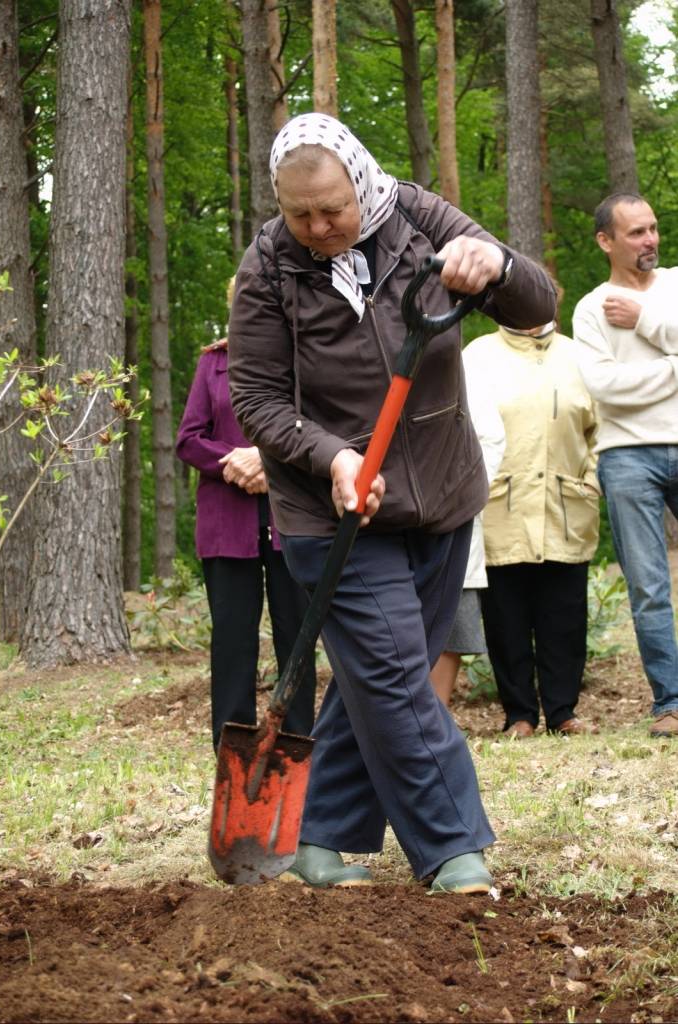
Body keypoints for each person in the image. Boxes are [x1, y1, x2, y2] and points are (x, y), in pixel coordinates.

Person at [228, 112, 556, 893]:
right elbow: (256, 395)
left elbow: (538, 301)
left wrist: (496, 265)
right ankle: (452, 849)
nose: (319, 227)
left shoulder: (418, 218)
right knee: (400, 680)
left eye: (332, 209)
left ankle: (317, 837)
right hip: (332, 512)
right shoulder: (271, 267)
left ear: (361, 181)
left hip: (441, 496)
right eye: (299, 213)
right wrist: (333, 456)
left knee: (379, 679)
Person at [176, 287, 317, 753]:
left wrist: (267, 461)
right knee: (233, 640)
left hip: (291, 518)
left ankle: (295, 738)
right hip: (226, 524)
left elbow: (317, 429)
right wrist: (234, 462)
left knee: (295, 636)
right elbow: (189, 439)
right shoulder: (212, 364)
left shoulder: (304, 362)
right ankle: (231, 746)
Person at [463, 316, 600, 738]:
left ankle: (563, 713)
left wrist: (591, 481)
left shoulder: (581, 356)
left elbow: (600, 432)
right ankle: (518, 715)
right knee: (506, 616)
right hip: (502, 505)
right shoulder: (478, 356)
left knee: (565, 616)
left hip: (566, 505)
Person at [573, 192, 678, 739]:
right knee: (648, 586)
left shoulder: (676, 287)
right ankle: (671, 702)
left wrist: (646, 322)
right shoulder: (591, 309)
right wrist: (675, 367)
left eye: (653, 229)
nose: (650, 240)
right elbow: (605, 390)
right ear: (605, 241)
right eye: (636, 232)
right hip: (626, 455)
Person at [429, 356, 505, 706]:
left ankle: (436, 715)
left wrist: (461, 494)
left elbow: (490, 437)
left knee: (451, 621)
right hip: (386, 512)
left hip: (452, 511)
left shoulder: (462, 367)